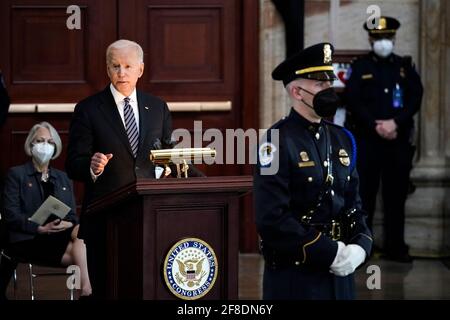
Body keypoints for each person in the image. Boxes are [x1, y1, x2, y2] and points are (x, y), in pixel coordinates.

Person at [254, 43, 373, 300]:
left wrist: (361, 247)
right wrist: (330, 253)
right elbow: (272, 219)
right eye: (320, 84)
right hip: (296, 276)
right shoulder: (275, 142)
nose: (329, 90)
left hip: (341, 275)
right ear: (297, 91)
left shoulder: (342, 139)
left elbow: (354, 205)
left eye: (330, 82)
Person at [65, 39, 174, 297]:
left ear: (141, 69)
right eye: (115, 66)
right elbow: (73, 164)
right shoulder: (88, 109)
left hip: (149, 217)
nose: (121, 72)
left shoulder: (158, 107)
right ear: (107, 69)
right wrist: (92, 167)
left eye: (127, 66)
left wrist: (167, 168)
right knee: (108, 291)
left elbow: (167, 154)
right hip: (105, 220)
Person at [345, 17, 423, 263]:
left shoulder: (404, 66)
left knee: (395, 196)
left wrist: (395, 123)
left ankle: (396, 247)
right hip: (368, 141)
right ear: (370, 40)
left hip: (397, 141)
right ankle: (362, 248)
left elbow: (415, 98)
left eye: (387, 38)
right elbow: (353, 100)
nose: (383, 43)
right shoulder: (359, 67)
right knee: (364, 196)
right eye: (378, 38)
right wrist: (375, 125)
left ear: (394, 39)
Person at [0, 122, 91, 299]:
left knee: (80, 234)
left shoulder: (63, 177)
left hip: (59, 235)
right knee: (81, 247)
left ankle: (86, 289)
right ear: (30, 145)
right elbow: (11, 216)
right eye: (40, 141)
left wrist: (68, 222)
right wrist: (39, 228)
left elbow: (72, 215)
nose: (45, 146)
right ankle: (86, 290)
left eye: (50, 142)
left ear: (55, 147)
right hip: (29, 239)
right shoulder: (16, 174)